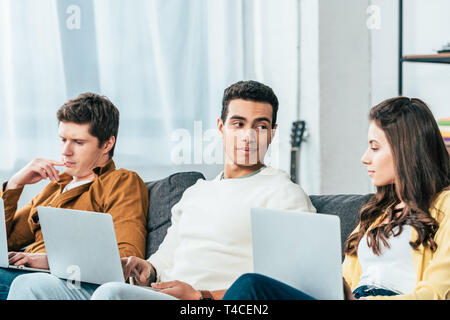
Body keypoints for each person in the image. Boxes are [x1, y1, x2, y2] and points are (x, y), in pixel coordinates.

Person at [8, 80, 316, 300]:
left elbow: (292, 285)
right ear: (221, 128)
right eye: (238, 124)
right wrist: (145, 267)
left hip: (203, 301)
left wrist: (202, 296)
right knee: (28, 288)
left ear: (272, 133)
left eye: (260, 126)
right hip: (161, 292)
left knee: (112, 293)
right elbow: (165, 259)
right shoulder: (196, 193)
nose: (249, 136)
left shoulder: (283, 194)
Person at [222, 96, 450, 300]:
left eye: (374, 148)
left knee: (251, 286)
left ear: (406, 150)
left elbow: (437, 293)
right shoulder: (378, 212)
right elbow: (344, 284)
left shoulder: (445, 205)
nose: (364, 158)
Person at [2, 93, 149, 300]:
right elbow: (6, 242)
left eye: (78, 142)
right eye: (63, 140)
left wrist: (48, 260)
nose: (65, 151)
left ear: (107, 144)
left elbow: (127, 258)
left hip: (66, 282)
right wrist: (15, 184)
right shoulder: (54, 187)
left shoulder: (121, 181)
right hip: (27, 275)